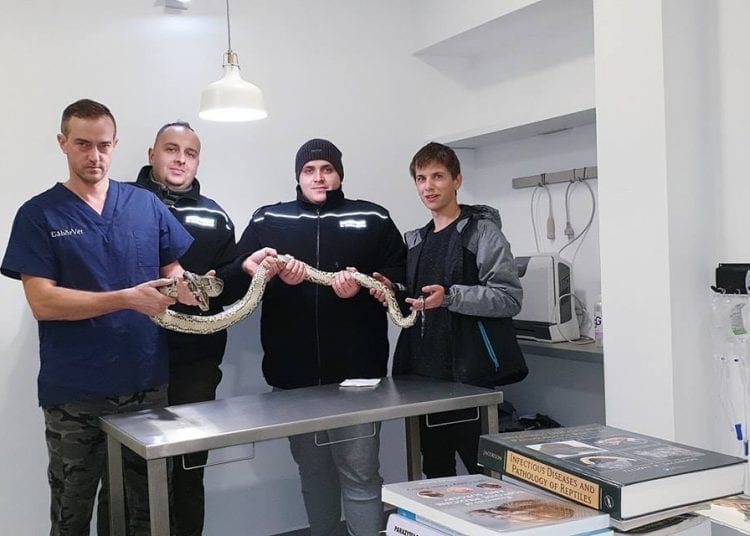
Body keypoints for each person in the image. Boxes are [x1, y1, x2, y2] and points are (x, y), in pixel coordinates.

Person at [1, 99, 197, 535]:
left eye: (104, 146)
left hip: (145, 382)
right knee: (72, 511)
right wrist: (126, 299)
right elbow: (43, 302)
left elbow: (173, 269)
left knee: (145, 511)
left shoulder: (144, 205)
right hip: (76, 391)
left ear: (115, 144)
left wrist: (187, 287)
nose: (95, 156)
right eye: (83, 144)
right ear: (63, 143)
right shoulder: (39, 215)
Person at [234, 138, 406, 536]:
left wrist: (363, 287)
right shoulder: (267, 220)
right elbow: (235, 276)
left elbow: (399, 279)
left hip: (359, 380)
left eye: (327, 169)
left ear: (339, 174)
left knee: (361, 475)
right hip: (293, 381)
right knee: (313, 475)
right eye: (309, 170)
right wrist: (261, 270)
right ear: (297, 176)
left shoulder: (373, 217)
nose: (319, 177)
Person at [373, 142, 527, 479]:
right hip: (424, 381)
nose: (428, 186)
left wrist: (451, 297)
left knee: (485, 476)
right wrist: (393, 291)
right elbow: (421, 299)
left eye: (438, 176)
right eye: (421, 178)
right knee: (435, 475)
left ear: (457, 180)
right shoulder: (416, 240)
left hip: (471, 380)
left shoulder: (482, 232)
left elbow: (509, 297)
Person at [133, 121, 242, 536]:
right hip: (131, 361)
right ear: (151, 154)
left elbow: (230, 285)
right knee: (132, 473)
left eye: (190, 153)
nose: (180, 159)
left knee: (189, 471)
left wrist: (231, 277)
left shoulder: (215, 216)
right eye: (171, 149)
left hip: (195, 364)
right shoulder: (122, 202)